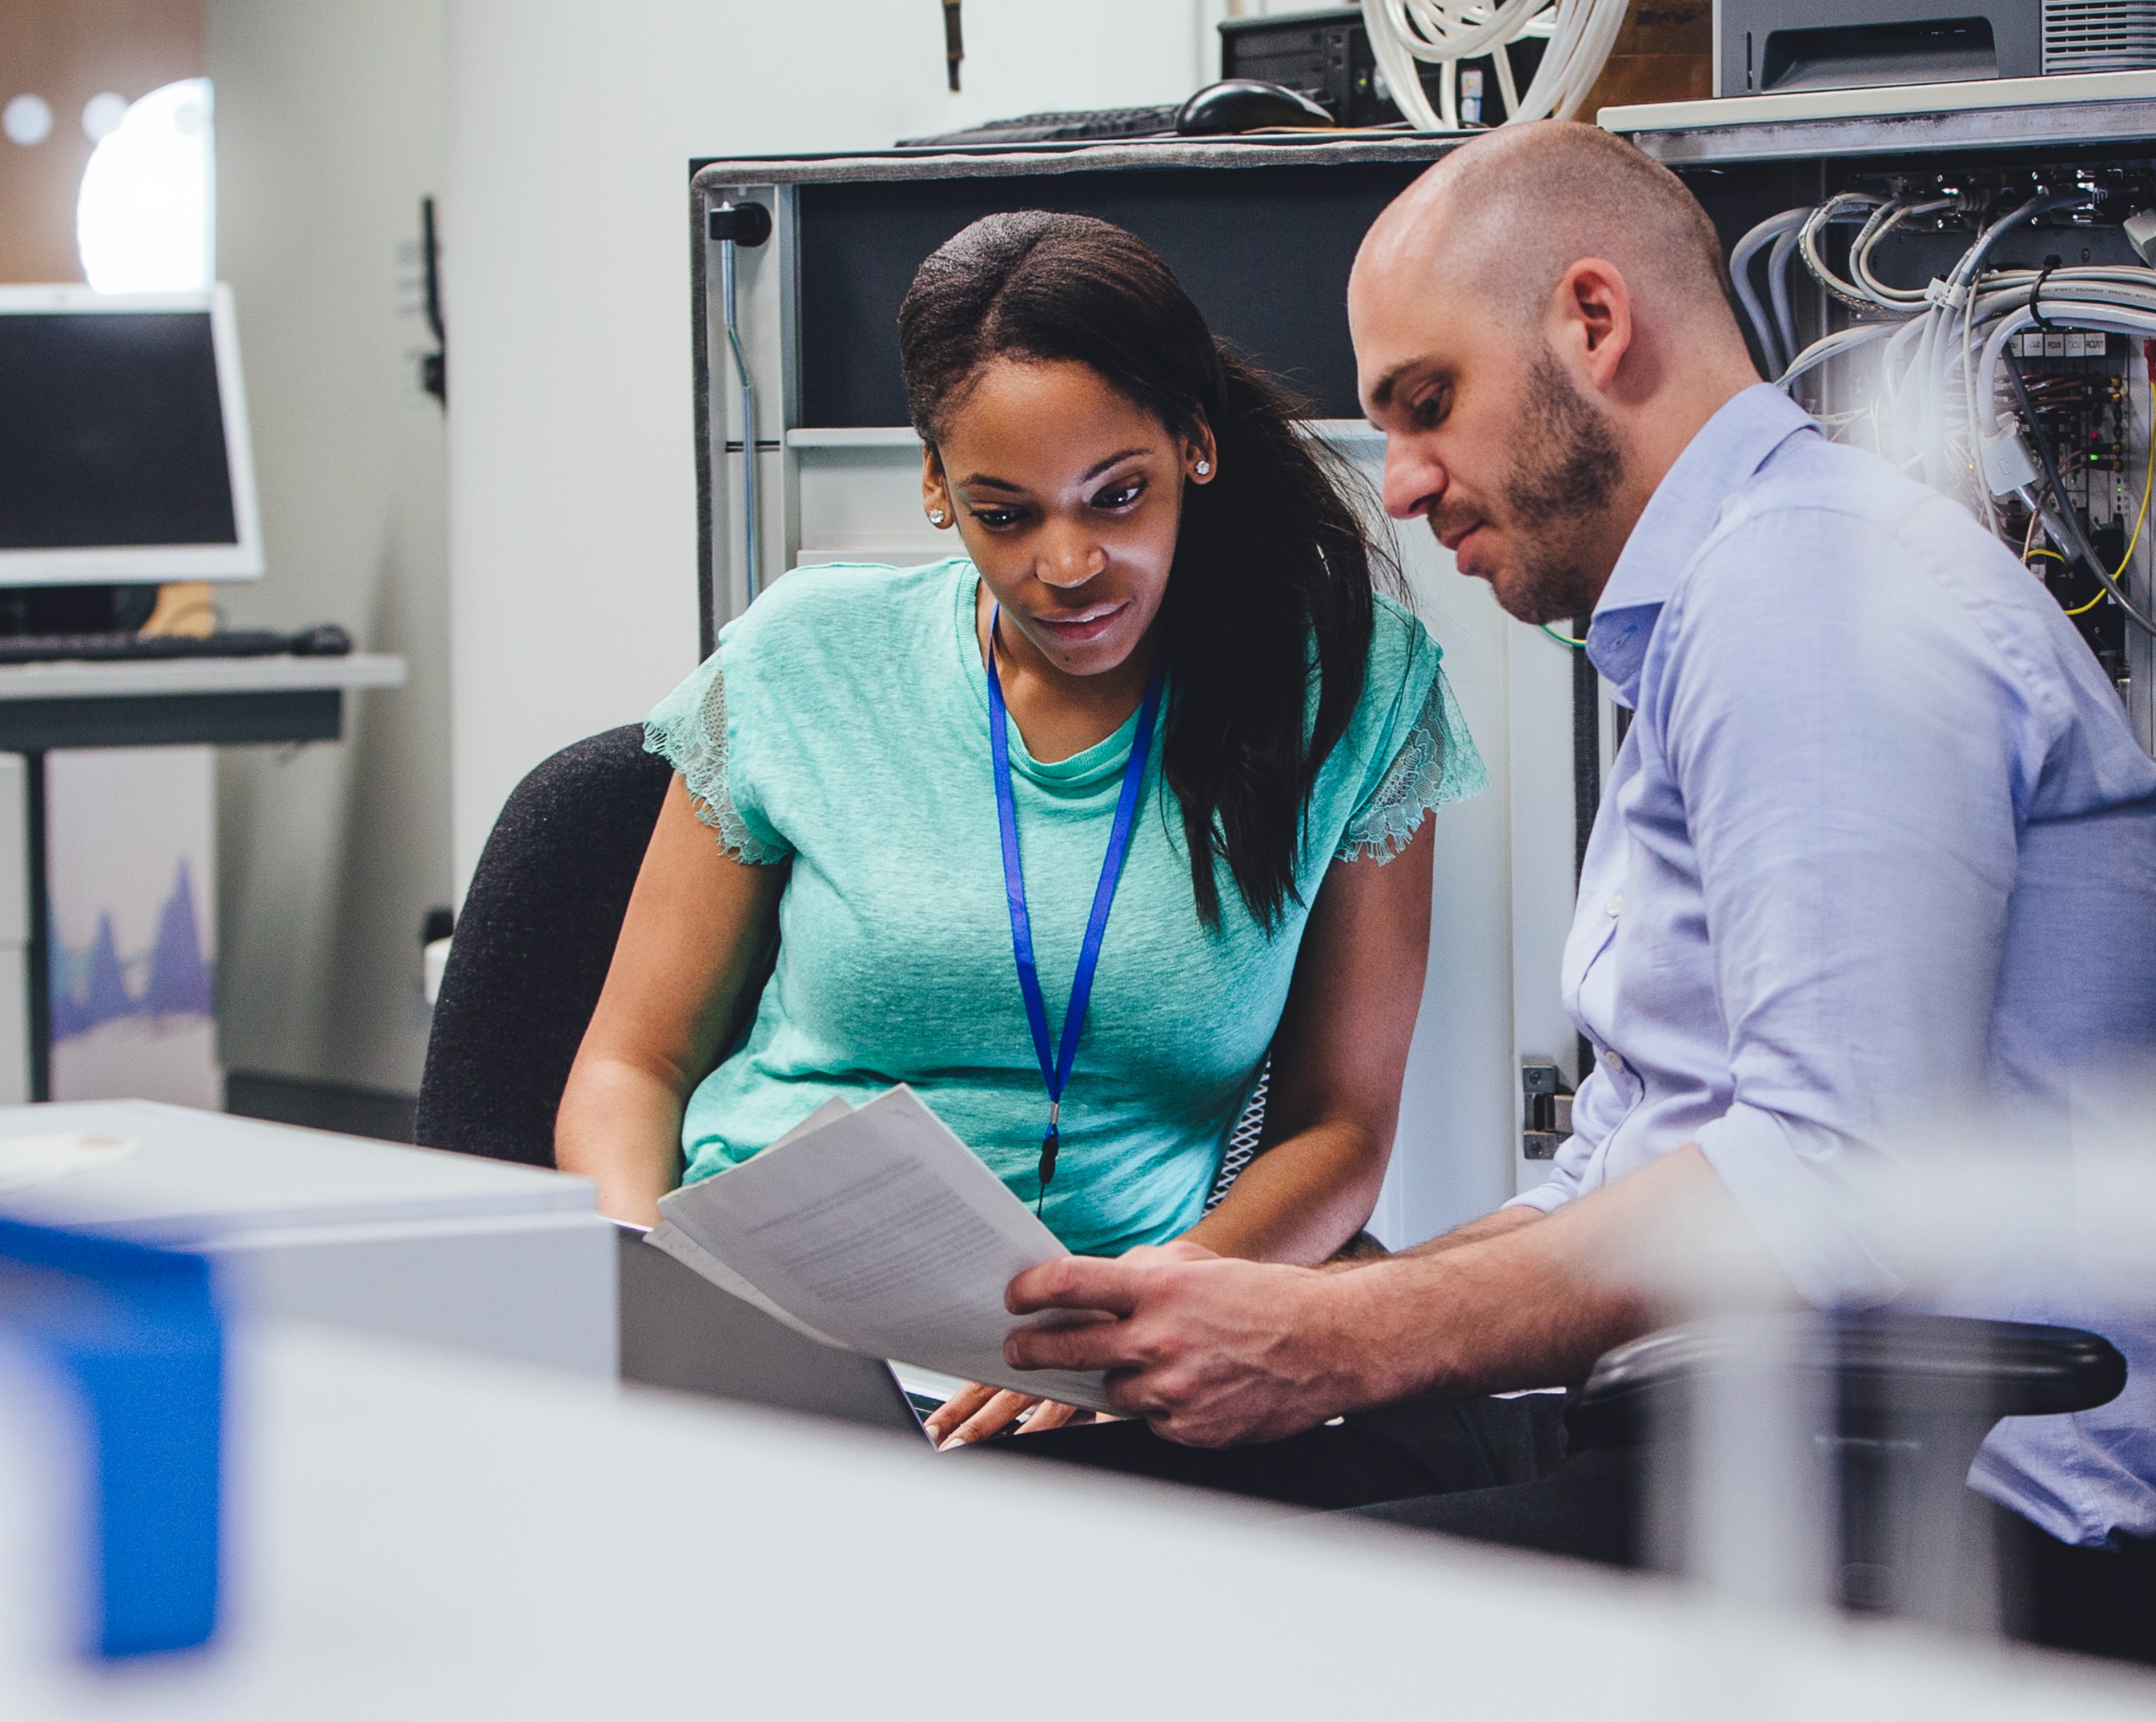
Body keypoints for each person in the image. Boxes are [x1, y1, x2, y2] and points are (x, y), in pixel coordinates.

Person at [990, 122, 2156, 1666]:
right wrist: (1220, 1314)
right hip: (1724, 1449)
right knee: (1045, 1518)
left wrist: (1336, 1336)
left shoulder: (1812, 595)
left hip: (1941, 1533)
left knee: (1143, 1624)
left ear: (1593, 319)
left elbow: (1833, 1178)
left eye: (1426, 406)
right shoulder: (1730, 604)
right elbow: (1627, 1171)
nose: (1412, 485)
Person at [560, 211, 1483, 1447]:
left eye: (1117, 496)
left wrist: (1156, 1312)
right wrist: (649, 1298)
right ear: (936, 488)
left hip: (1112, 1365)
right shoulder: (804, 658)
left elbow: (1341, 1128)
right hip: (773, 1335)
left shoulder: (1354, 694)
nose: (1069, 564)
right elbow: (632, 1062)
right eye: (1006, 514)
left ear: (1194, 444)